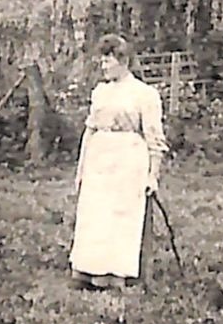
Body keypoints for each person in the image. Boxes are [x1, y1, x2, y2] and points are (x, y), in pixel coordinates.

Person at [70, 34, 168, 290]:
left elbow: (154, 138)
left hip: (128, 159)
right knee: (95, 214)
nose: (103, 66)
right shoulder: (100, 92)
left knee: (120, 216)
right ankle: (88, 272)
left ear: (123, 60)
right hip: (99, 158)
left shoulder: (144, 94)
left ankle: (114, 276)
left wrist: (152, 175)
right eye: (101, 61)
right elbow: (89, 130)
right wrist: (81, 169)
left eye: (107, 60)